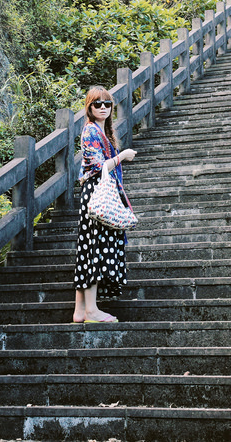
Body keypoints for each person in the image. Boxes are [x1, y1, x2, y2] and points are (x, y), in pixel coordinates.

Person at [72, 86, 137, 323]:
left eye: (107, 104)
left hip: (97, 193)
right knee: (95, 249)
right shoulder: (90, 131)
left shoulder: (102, 132)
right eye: (97, 104)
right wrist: (123, 155)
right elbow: (98, 167)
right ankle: (91, 310)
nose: (102, 107)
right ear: (89, 108)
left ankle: (80, 310)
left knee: (88, 247)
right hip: (96, 193)